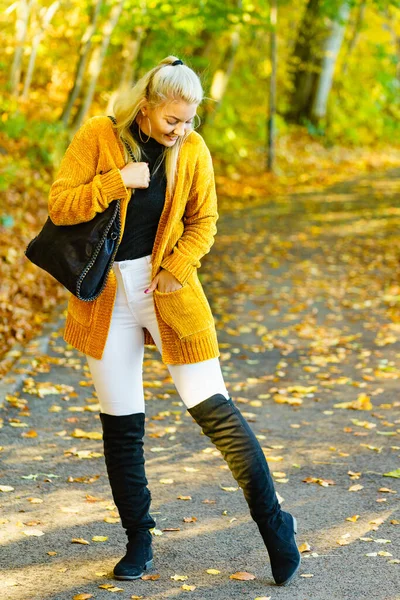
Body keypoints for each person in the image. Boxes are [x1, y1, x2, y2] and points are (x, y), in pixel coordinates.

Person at [48, 56, 301, 586]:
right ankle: (139, 540)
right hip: (107, 297)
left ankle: (276, 526)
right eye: (171, 120)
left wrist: (176, 268)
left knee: (215, 411)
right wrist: (117, 181)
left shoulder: (194, 150)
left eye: (189, 121)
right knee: (122, 424)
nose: (181, 130)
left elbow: (203, 221)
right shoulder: (99, 135)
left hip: (168, 292)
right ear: (146, 107)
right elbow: (60, 206)